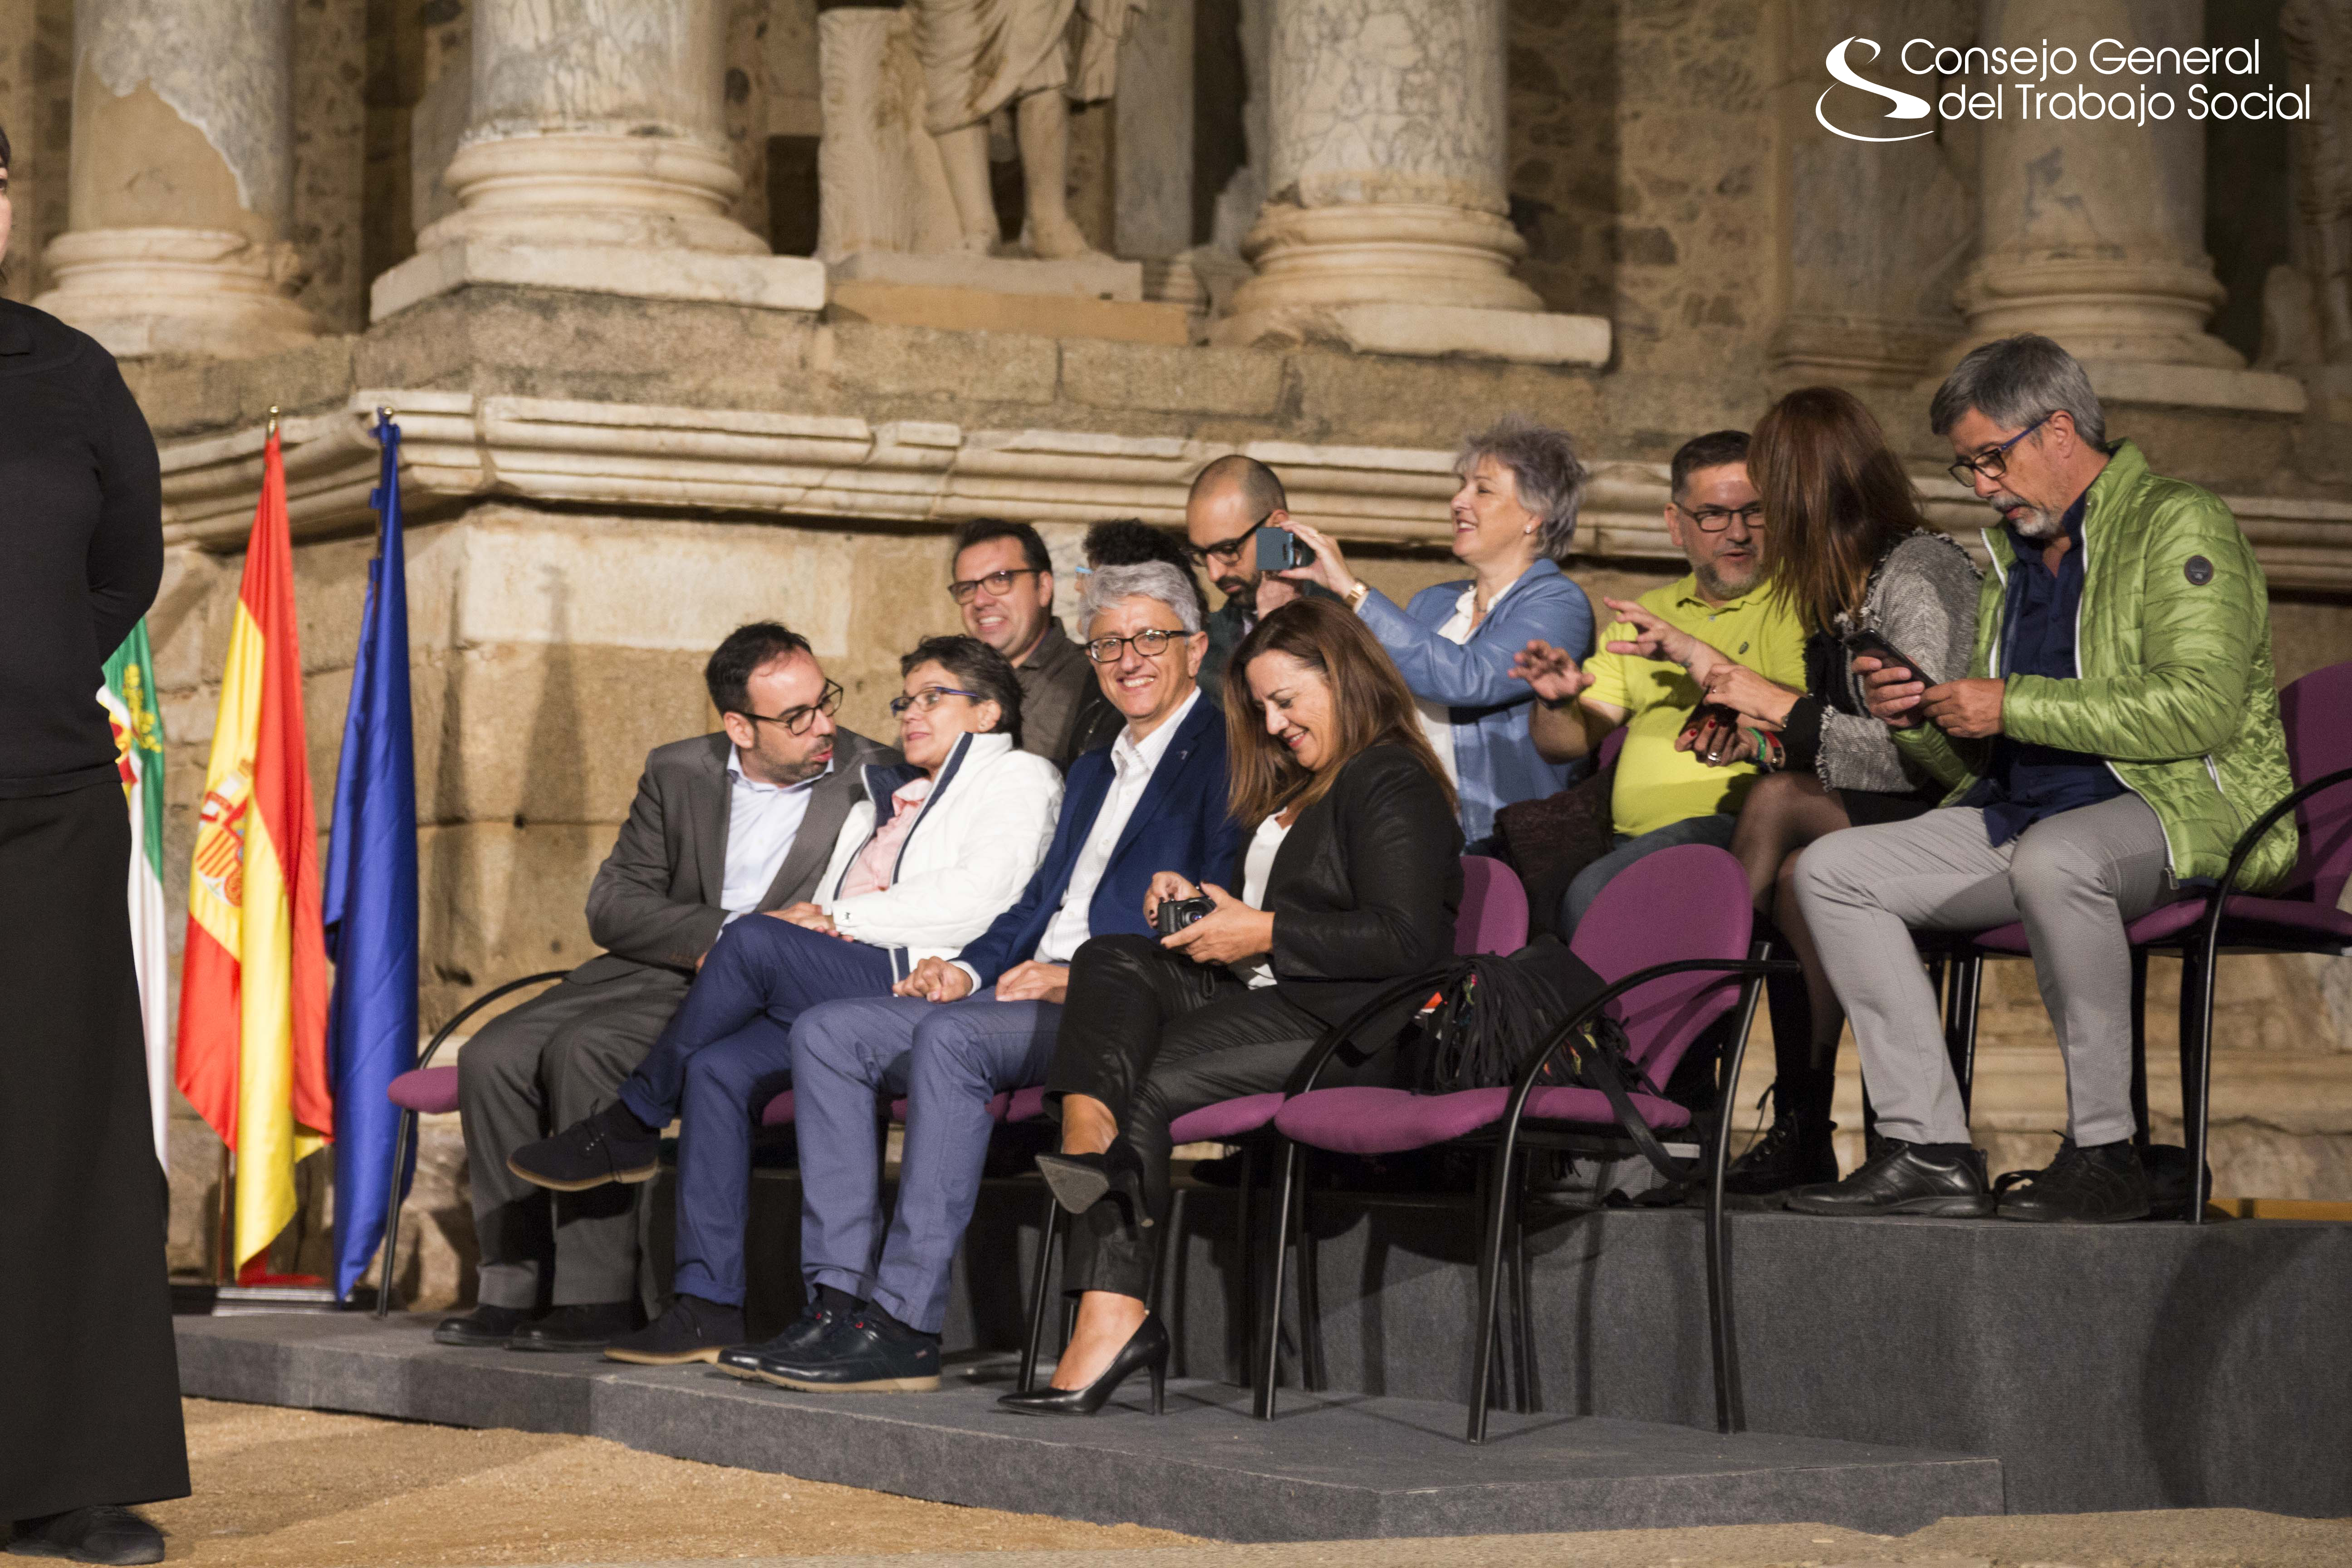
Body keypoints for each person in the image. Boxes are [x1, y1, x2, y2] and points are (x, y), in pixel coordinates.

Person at [1787, 334, 2296, 1224]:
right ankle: (1927, 1149)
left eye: (1992, 458)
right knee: (1831, 871)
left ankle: (2104, 1152)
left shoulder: (2178, 521)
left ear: (2058, 430)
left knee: (2058, 860)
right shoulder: (2011, 562)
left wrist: (2012, 703)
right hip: (2023, 816)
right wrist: (1919, 717)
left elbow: (2199, 707)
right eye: (1967, 467)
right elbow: (1983, 757)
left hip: (2180, 807)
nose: (1982, 484)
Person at [733, 563, 1243, 1393]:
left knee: (952, 1039)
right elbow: (1036, 903)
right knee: (827, 1034)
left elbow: (1214, 908)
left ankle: (905, 1323)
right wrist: (964, 966)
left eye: (1151, 638)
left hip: (1120, 1000)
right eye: (1108, 643)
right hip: (1022, 986)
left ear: (1193, 647)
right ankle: (838, 1303)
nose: (1128, 658)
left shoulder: (1228, 751)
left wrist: (1077, 977)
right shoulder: (1093, 767)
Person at [506, 637, 1062, 1362]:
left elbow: (982, 899)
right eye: (906, 699)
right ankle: (707, 1305)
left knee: (752, 939)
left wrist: (832, 920)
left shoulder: (1019, 776)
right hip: (847, 975)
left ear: (988, 713)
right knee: (716, 1070)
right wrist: (822, 919)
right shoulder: (886, 794)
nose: (910, 712)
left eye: (934, 697)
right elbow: (824, 900)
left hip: (917, 977)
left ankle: (634, 1117)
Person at [1003, 596, 1463, 1417]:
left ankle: (1110, 1317)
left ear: (1343, 678)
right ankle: (1090, 1142)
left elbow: (1407, 941)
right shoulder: (1305, 783)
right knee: (1109, 955)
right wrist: (1203, 903)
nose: (1274, 724)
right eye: (1261, 708)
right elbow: (1289, 910)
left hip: (1348, 1024)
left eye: (1286, 701)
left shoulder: (1391, 777)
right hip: (1271, 992)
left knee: (1138, 1080)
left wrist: (1264, 930)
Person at [437, 623, 896, 1353]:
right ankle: (510, 1285)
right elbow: (613, 904)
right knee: (489, 1057)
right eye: (797, 716)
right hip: (653, 966)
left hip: (759, 990)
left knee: (587, 1050)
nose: (824, 726)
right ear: (739, 726)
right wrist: (733, 929)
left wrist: (759, 947)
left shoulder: (873, 774)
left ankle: (596, 1295)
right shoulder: (678, 770)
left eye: (825, 701)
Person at [0, 122, 186, 1566]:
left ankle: (66, 1476)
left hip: (47, 803)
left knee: (66, 1140)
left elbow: (126, 564)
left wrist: (44, 665)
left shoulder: (70, 373)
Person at [1653, 391, 1981, 1201]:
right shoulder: (1834, 586)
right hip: (1873, 808)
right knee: (1799, 874)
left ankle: (1697, 1062)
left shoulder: (1918, 572)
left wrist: (1782, 713)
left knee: (1773, 807)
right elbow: (1838, 740)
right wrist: (1764, 738)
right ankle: (1809, 1124)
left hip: (1959, 809)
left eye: (1766, 497)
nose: (1754, 523)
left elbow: (1924, 757)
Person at [1510, 431, 1809, 935]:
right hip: (1627, 840)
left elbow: (1809, 721)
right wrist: (1557, 703)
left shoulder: (1798, 605)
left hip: (1739, 830)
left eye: (1755, 513)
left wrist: (1694, 656)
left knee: (1597, 895)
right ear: (1676, 524)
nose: (1738, 532)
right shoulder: (1648, 613)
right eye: (1713, 515)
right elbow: (1563, 746)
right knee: (1522, 887)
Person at [1276, 417, 1596, 848]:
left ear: (1533, 517)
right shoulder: (1433, 604)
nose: (1458, 501)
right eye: (1462, 486)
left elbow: (1467, 678)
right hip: (1408, 831)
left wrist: (1353, 591)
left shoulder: (1558, 604)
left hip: (1506, 843)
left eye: (1482, 490)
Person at [950, 517, 1116, 769]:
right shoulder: (948, 685)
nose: (980, 601)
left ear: (1044, 587)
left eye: (1000, 579)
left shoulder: (1093, 679)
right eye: (967, 588)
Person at [1184, 455, 1309, 700]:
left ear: (1277, 528)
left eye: (1228, 549)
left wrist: (1278, 626)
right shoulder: (1205, 645)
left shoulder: (1350, 613)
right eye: (1201, 554)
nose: (1214, 574)